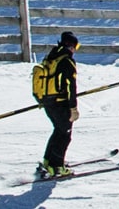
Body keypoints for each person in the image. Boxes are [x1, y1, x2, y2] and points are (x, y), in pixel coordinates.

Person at [32, 31, 82, 179]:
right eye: (76, 47)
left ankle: (48, 162)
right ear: (71, 46)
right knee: (64, 135)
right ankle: (57, 167)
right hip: (60, 104)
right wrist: (73, 108)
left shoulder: (51, 57)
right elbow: (70, 86)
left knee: (58, 131)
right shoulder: (66, 61)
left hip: (48, 102)